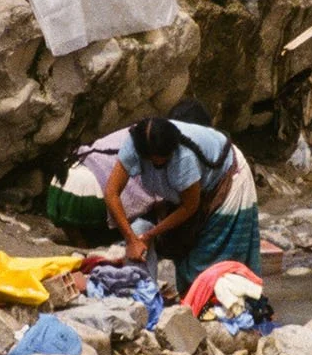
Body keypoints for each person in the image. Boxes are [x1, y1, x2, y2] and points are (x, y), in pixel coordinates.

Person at [104, 116, 261, 291]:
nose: (159, 163)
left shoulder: (183, 158)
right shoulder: (134, 145)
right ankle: (157, 296)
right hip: (186, 194)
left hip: (227, 179)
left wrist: (150, 235)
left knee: (210, 259)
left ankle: (210, 301)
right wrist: (131, 239)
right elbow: (111, 192)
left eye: (163, 159)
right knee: (168, 241)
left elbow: (190, 207)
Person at [45, 98, 214, 246]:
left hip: (63, 182)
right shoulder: (168, 149)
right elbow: (162, 197)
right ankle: (95, 237)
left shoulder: (143, 129)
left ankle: (79, 238)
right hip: (87, 196)